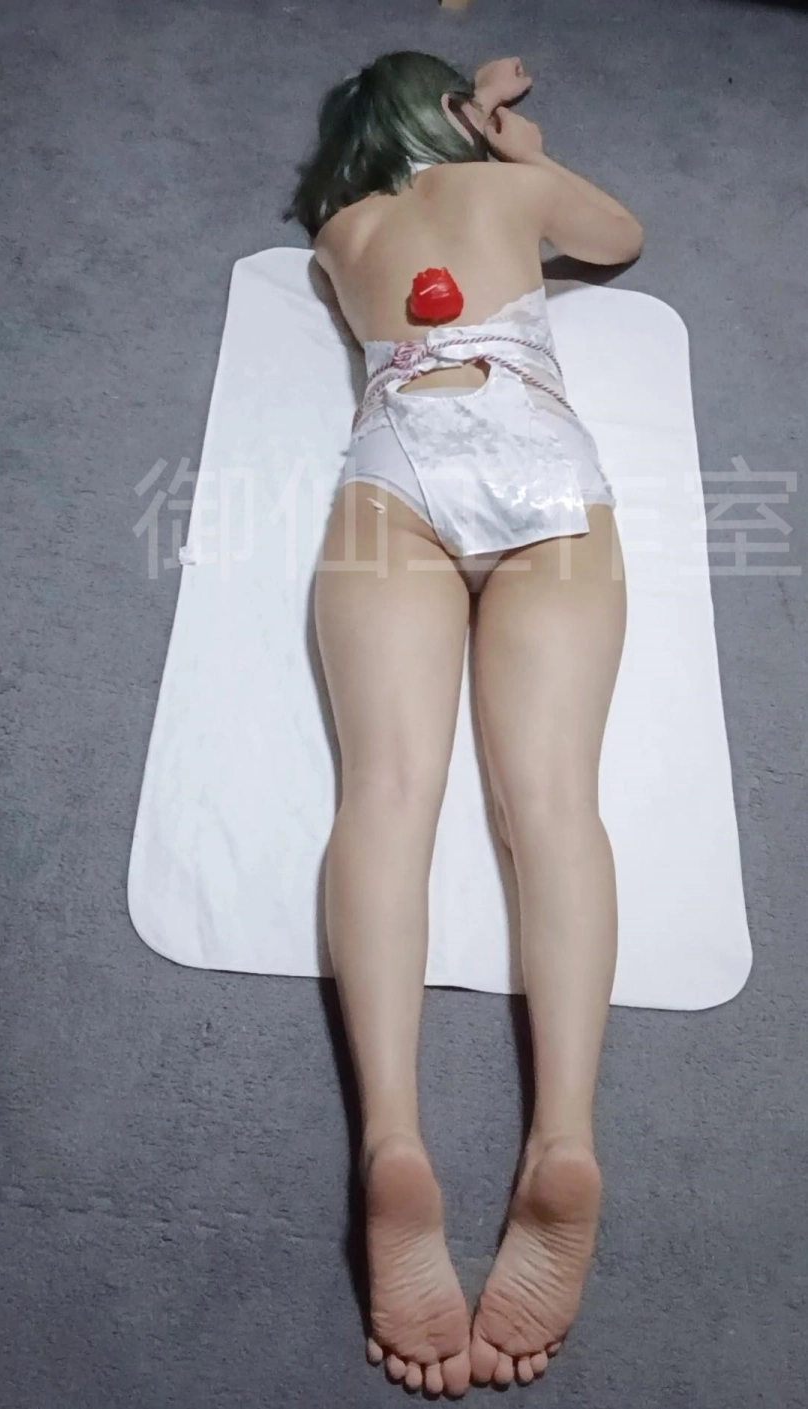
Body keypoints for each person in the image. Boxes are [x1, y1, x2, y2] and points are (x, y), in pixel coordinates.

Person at [283, 50, 643, 1397]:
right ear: (451, 119)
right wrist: (517, 145)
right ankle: (563, 1135)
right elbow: (619, 239)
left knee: (385, 794)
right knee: (549, 804)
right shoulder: (507, 189)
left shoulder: (340, 236)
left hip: (398, 466)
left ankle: (392, 1138)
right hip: (540, 453)